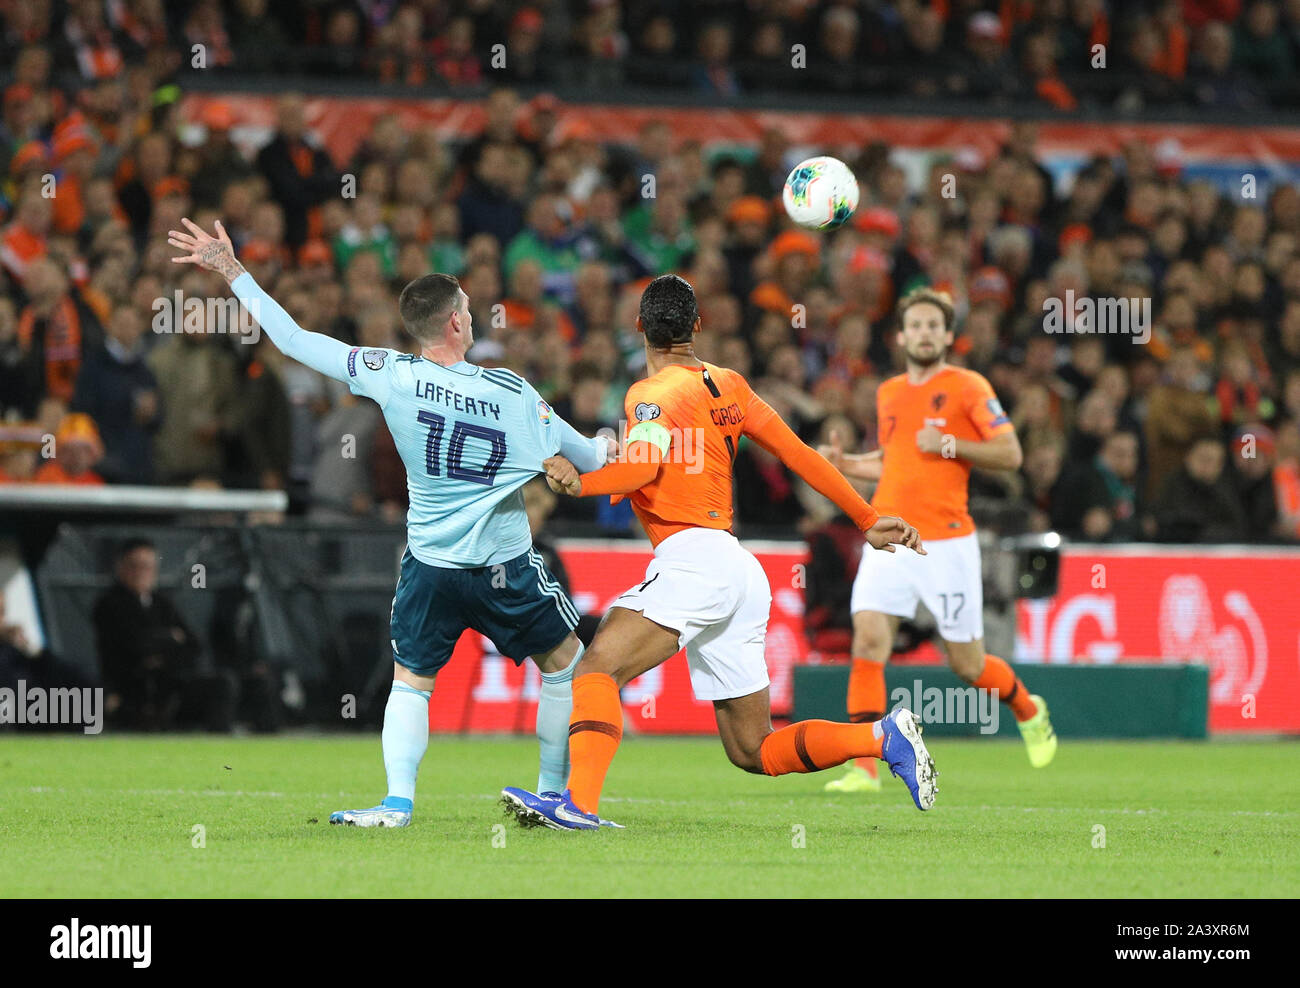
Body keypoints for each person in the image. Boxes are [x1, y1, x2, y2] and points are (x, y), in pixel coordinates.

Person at [168, 217, 612, 828]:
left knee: (413, 680)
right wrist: (626, 441)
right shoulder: (513, 394)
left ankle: (397, 803)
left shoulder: (391, 374)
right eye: (469, 307)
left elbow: (295, 339)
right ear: (456, 321)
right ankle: (552, 795)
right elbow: (591, 460)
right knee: (566, 664)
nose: (474, 314)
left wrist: (232, 271)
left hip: (430, 563)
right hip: (503, 566)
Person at [501, 274, 934, 830]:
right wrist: (869, 518)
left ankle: (578, 806)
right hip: (736, 568)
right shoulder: (728, 384)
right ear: (697, 327)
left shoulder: (648, 396)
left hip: (694, 561)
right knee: (753, 749)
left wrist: (577, 484)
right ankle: (880, 736)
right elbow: (799, 454)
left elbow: (641, 470)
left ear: (639, 329)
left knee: (596, 669)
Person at [818, 288, 1055, 795]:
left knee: (967, 665)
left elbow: (1011, 453)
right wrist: (846, 465)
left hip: (946, 544)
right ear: (901, 336)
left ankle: (1029, 709)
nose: (924, 333)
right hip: (890, 536)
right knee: (869, 642)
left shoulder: (968, 386)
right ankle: (863, 769)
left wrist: (949, 443)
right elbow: (892, 460)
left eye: (934, 326)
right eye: (916, 325)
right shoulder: (889, 392)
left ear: (948, 336)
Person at [92, 539, 237, 731]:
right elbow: (132, 647)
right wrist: (171, 639)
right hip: (132, 688)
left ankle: (220, 747)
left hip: (171, 683)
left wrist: (163, 649)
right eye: (135, 566)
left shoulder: (162, 603)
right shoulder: (108, 604)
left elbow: (193, 646)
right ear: (121, 568)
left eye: (148, 567)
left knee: (222, 683)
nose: (141, 573)